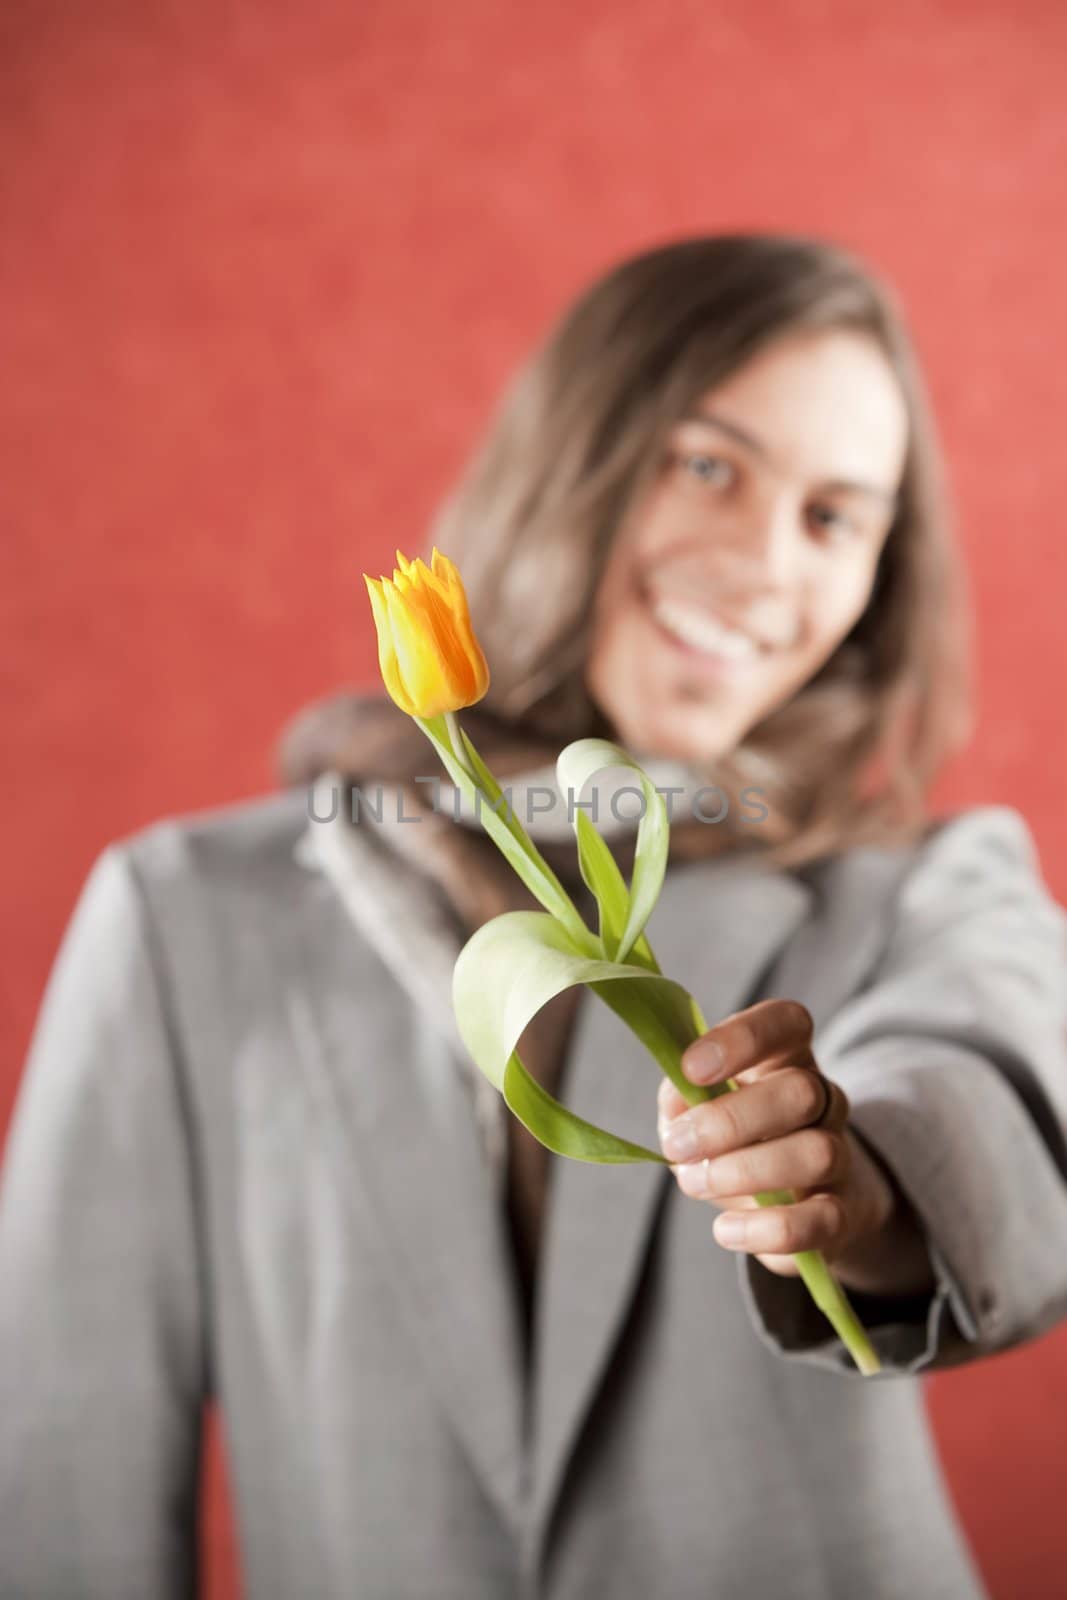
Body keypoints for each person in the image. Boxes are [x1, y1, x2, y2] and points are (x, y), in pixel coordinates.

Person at [3, 232, 1067, 1600]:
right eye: (706, 465)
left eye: (832, 517)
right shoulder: (186, 920)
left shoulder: (913, 883)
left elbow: (1008, 1076)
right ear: (574, 453)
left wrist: (855, 1183)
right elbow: (63, 1487)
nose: (762, 563)